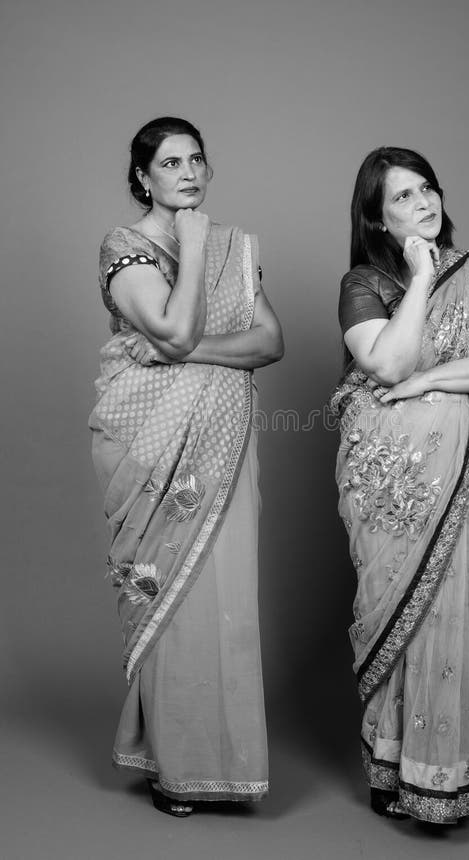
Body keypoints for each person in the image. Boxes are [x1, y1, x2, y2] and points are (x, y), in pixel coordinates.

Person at [90, 117, 283, 817]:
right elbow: (169, 325)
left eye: (196, 158)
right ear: (143, 176)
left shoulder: (238, 248)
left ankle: (225, 765)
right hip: (151, 448)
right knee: (169, 601)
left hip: (224, 441)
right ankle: (171, 765)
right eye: (170, 163)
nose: (188, 171)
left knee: (224, 599)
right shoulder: (126, 245)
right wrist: (193, 245)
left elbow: (268, 340)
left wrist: (186, 351)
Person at [330, 147, 469, 824]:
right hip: (390, 481)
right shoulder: (362, 281)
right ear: (378, 219)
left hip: (460, 471)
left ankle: (437, 776)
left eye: (426, 189)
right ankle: (392, 766)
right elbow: (386, 364)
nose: (422, 204)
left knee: (447, 610)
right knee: (402, 615)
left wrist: (432, 380)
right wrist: (417, 275)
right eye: (402, 198)